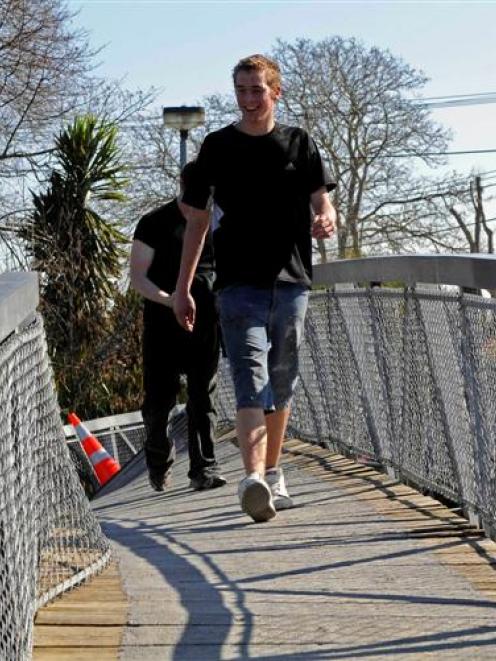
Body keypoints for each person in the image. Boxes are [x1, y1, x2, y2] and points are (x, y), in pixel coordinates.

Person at [173, 54, 336, 521]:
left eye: (256, 90)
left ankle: (273, 469)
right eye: (241, 90)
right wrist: (184, 288)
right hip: (236, 284)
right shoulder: (217, 147)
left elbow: (321, 200)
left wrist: (326, 218)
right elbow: (198, 222)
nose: (247, 100)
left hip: (291, 282)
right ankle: (254, 479)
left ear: (275, 92)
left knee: (281, 379)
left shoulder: (298, 143)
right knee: (249, 375)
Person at [130, 161, 226, 492]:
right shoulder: (154, 222)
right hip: (162, 324)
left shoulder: (218, 225)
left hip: (206, 324)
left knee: (204, 395)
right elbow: (138, 277)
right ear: (185, 185)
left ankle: (204, 468)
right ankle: (159, 461)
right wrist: (170, 300)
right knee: (159, 404)